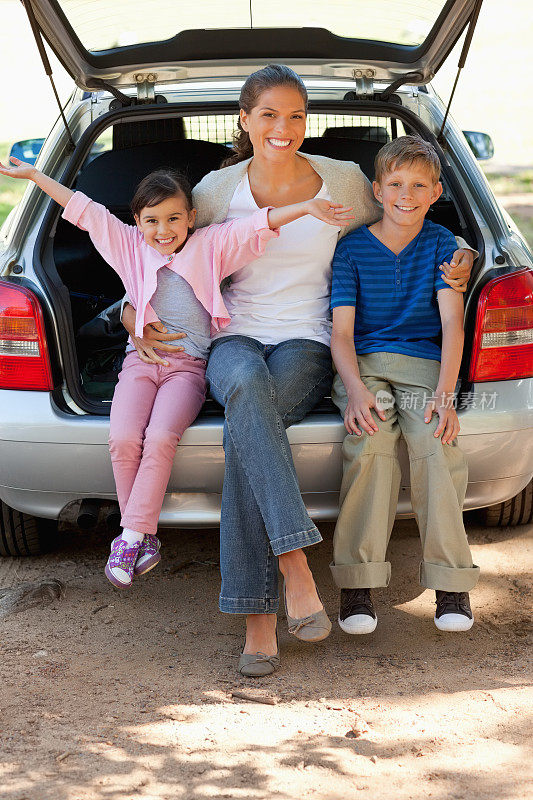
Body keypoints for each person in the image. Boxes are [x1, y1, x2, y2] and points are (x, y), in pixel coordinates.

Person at [122, 65, 476, 676]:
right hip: (231, 339)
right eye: (268, 115)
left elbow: (406, 211)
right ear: (244, 119)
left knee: (245, 425)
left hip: (308, 342)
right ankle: (295, 565)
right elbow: (154, 257)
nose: (282, 128)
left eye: (294, 116)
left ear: (306, 122)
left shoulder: (341, 180)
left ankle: (259, 621)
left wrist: (465, 252)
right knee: (245, 394)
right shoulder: (212, 191)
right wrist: (128, 316)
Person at [0, 157, 352, 589]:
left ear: (191, 218)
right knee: (124, 437)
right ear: (137, 221)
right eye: (152, 220)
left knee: (163, 437)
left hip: (188, 369)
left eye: (173, 218)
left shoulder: (208, 245)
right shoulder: (129, 245)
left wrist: (305, 207)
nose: (163, 230)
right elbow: (86, 211)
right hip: (140, 362)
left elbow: (255, 224)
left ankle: (130, 536)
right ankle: (141, 537)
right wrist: (36, 177)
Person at [330, 135, 480, 636]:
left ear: (436, 191)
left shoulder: (443, 247)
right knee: (371, 441)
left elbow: (453, 326)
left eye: (418, 185)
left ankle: (451, 584)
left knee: (436, 446)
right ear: (376, 189)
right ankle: (358, 584)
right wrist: (353, 389)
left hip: (423, 367)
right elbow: (342, 333)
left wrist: (446, 393)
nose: (406, 194)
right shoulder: (351, 248)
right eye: (395, 183)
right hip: (365, 366)